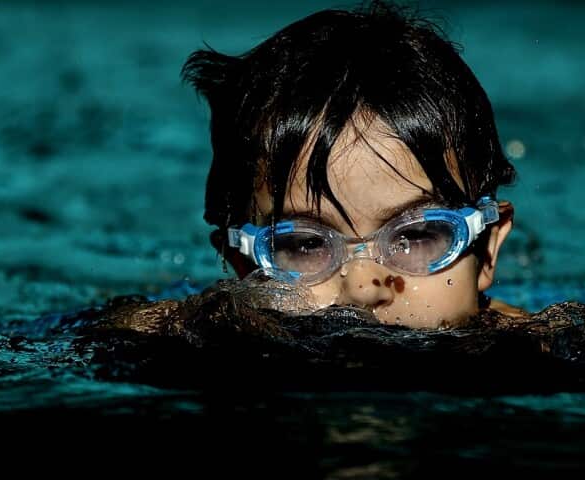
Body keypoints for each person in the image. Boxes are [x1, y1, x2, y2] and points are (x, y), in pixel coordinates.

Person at [180, 0, 526, 329]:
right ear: (244, 267)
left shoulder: (533, 355)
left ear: (487, 250)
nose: (363, 289)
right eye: (307, 245)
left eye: (416, 235)